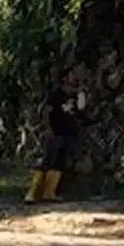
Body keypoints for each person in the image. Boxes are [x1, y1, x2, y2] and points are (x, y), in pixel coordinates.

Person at [25, 75, 81, 203]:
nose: (72, 88)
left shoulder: (73, 97)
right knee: (47, 161)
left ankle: (49, 193)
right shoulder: (55, 95)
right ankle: (32, 192)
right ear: (64, 84)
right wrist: (48, 128)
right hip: (56, 133)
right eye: (70, 85)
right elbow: (46, 111)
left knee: (59, 163)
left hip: (68, 134)